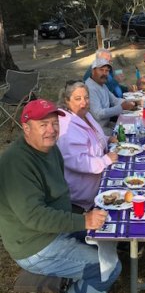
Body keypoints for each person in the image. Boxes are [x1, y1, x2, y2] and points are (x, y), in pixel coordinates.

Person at [0, 99, 121, 293]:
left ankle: (74, 288)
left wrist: (82, 219)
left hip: (56, 228)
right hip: (35, 245)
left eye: (54, 123)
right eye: (43, 124)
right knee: (108, 267)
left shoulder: (50, 149)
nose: (51, 129)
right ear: (26, 128)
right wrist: (83, 221)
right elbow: (35, 217)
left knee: (110, 236)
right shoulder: (17, 163)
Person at [57, 81, 118, 212]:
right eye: (78, 98)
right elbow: (78, 161)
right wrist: (105, 160)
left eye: (86, 97)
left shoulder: (84, 114)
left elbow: (94, 139)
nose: (84, 102)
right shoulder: (66, 128)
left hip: (99, 179)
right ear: (66, 101)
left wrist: (108, 139)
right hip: (82, 195)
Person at [85, 57, 136, 135]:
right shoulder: (90, 88)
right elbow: (98, 114)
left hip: (106, 124)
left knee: (133, 126)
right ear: (93, 71)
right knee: (127, 134)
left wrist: (132, 102)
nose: (104, 73)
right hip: (97, 130)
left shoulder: (102, 85)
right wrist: (121, 107)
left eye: (107, 71)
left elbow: (114, 100)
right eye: (101, 70)